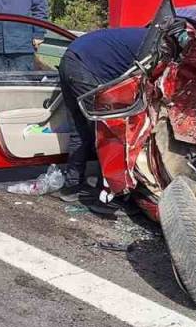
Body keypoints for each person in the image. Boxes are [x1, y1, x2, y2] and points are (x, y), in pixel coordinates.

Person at [53, 27, 149, 212]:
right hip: (87, 69)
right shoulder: (156, 46)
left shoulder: (137, 35)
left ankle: (71, 187)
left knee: (80, 130)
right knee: (109, 134)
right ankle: (104, 198)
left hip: (70, 59)